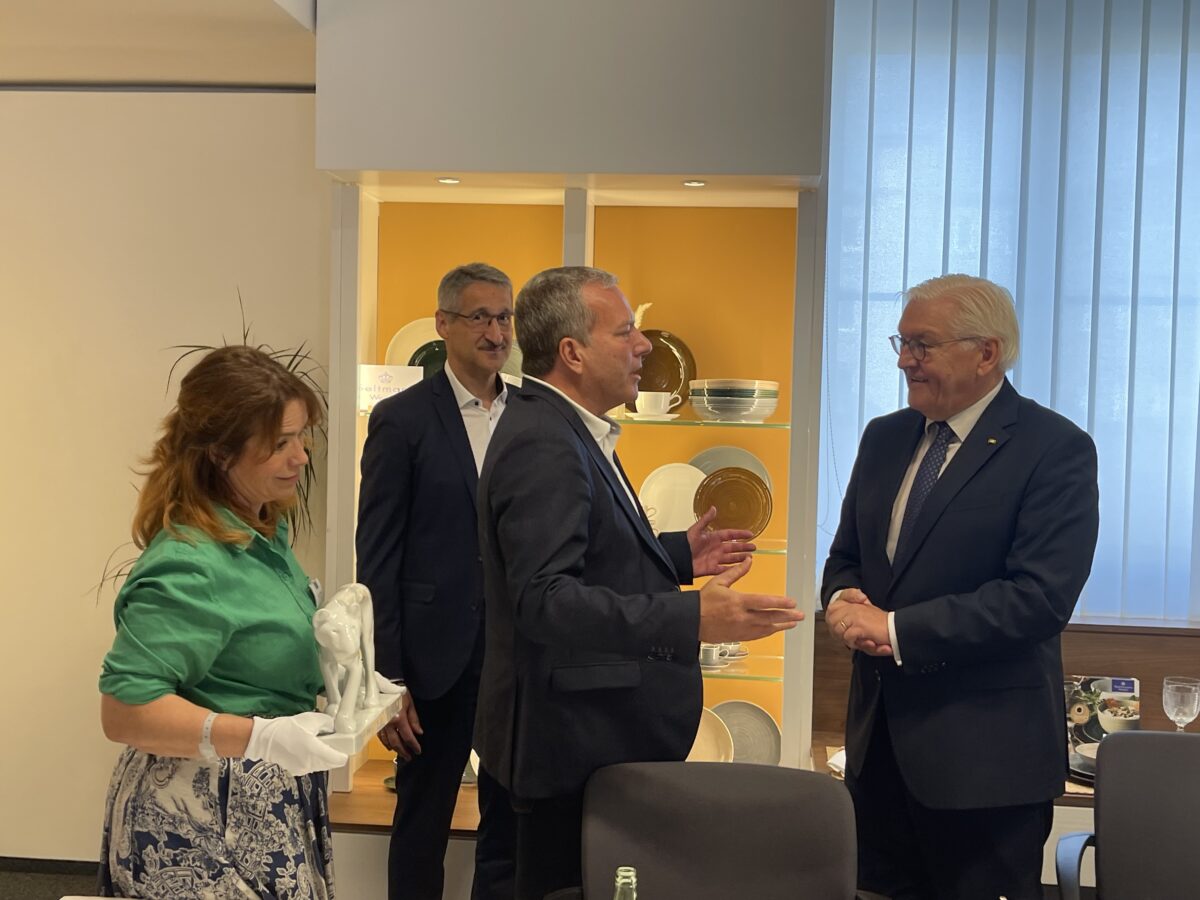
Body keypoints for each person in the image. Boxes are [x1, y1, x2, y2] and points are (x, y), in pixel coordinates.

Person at [475, 265, 805, 900]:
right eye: (625, 331)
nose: (645, 345)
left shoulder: (567, 427)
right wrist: (693, 618)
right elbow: (545, 600)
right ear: (572, 352)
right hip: (564, 752)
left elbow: (584, 556)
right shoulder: (546, 441)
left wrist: (675, 555)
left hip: (577, 745)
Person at [821, 273, 1100, 900]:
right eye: (902, 342)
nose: (904, 360)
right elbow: (846, 557)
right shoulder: (884, 437)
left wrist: (894, 630)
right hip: (876, 754)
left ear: (986, 353)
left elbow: (1039, 598)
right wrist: (840, 602)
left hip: (986, 769)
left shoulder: (1055, 449)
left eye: (922, 344)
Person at [97, 345, 350, 899]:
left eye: (301, 438)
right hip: (198, 819)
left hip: (257, 801)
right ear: (220, 452)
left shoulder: (261, 533)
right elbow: (124, 710)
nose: (301, 457)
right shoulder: (190, 562)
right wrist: (260, 735)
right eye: (280, 444)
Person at [357, 262, 517, 900]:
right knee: (422, 824)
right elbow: (378, 556)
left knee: (511, 824)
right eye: (480, 317)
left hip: (517, 656)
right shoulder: (401, 420)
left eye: (504, 317)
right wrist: (387, 681)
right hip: (433, 661)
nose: (496, 332)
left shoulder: (532, 414)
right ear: (443, 324)